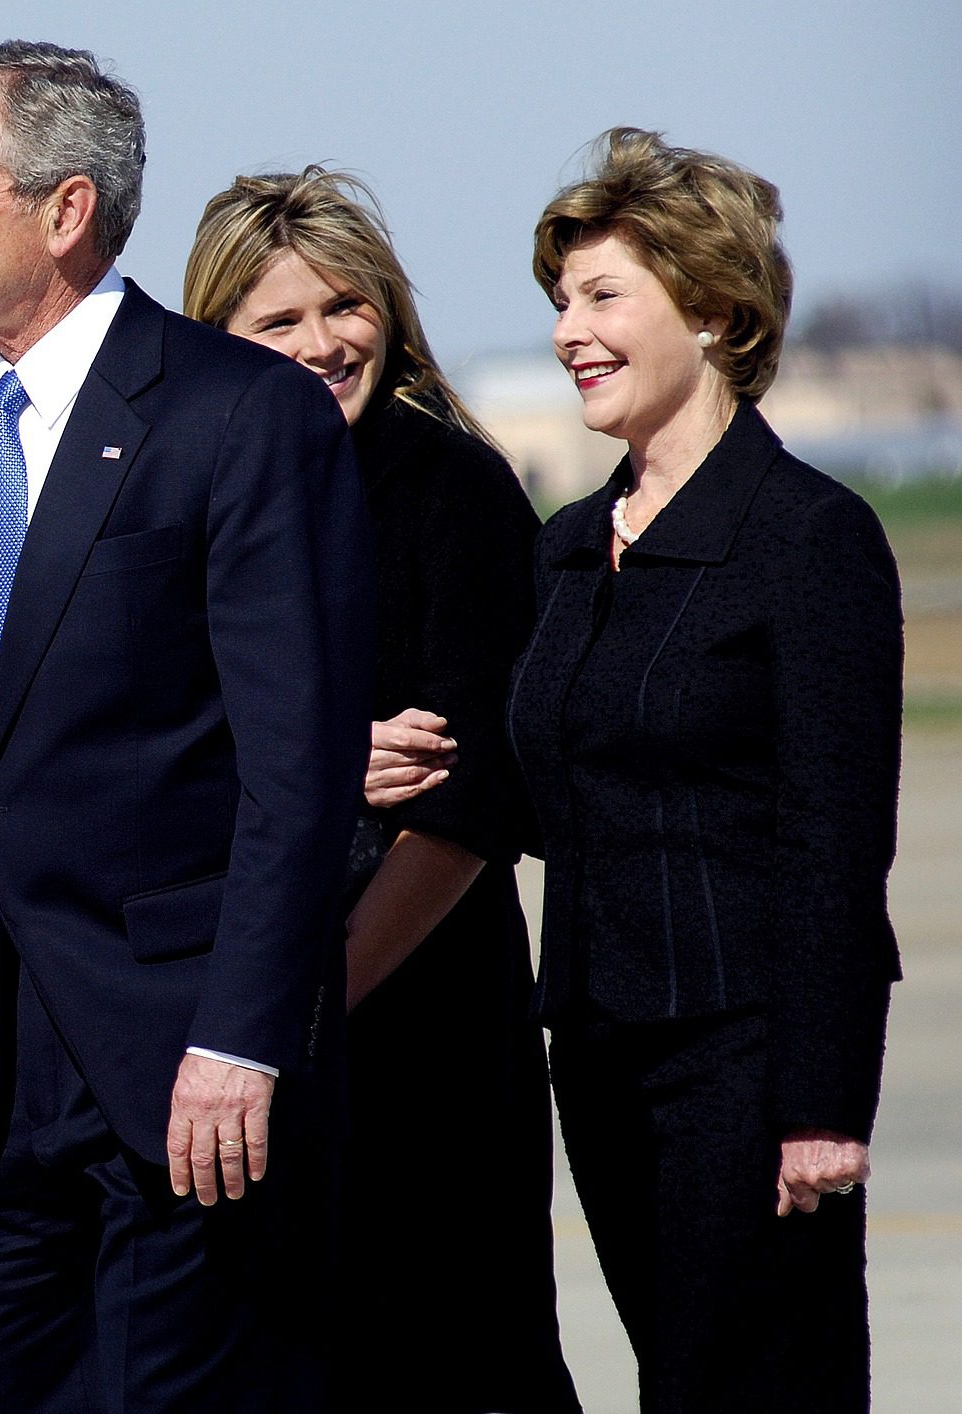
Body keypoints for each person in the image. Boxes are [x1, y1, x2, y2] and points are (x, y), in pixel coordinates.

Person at [0, 42, 375, 1410]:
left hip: (181, 1071)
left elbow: (301, 768)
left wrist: (242, 1034)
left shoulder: (241, 414)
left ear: (65, 209)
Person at [508, 128, 902, 1411]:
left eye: (604, 295)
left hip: (745, 1065)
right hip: (603, 1059)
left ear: (719, 312)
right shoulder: (570, 547)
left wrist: (823, 1105)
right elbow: (545, 786)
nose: (571, 328)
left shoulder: (809, 538)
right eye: (562, 300)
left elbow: (837, 842)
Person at [184, 165, 580, 1413]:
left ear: (392, 314)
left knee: (465, 1360)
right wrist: (311, 766)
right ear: (217, 342)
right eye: (277, 322)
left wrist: (312, 1007)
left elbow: (472, 800)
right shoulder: (181, 505)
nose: (321, 343)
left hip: (421, 1023)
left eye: (344, 307)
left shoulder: (454, 488)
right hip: (235, 1028)